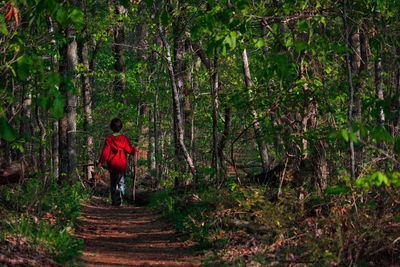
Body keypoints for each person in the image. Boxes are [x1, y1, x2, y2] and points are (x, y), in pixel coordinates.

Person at [97, 118, 139, 206]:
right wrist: (135, 149)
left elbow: (105, 152)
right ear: (121, 127)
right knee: (121, 182)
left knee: (113, 183)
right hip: (121, 165)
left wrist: (101, 162)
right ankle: (120, 199)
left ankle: (115, 201)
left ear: (111, 127)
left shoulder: (109, 139)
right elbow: (130, 150)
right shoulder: (124, 139)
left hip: (112, 166)